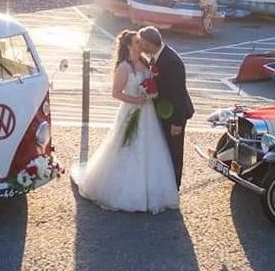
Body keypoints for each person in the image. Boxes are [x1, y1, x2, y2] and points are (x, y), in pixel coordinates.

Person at [70, 30, 178, 213]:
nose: (141, 45)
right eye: (137, 42)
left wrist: (152, 94)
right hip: (131, 111)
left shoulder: (146, 62)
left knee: (151, 148)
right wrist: (138, 100)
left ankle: (152, 191)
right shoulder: (124, 67)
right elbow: (116, 93)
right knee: (127, 146)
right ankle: (125, 191)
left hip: (148, 112)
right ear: (128, 45)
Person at [138, 26, 194, 189]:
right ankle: (164, 183)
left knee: (174, 151)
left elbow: (177, 93)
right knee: (165, 149)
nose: (141, 47)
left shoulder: (171, 61)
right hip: (164, 112)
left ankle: (173, 186)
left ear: (149, 43)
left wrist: (176, 122)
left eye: (142, 43)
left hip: (175, 115)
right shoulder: (157, 57)